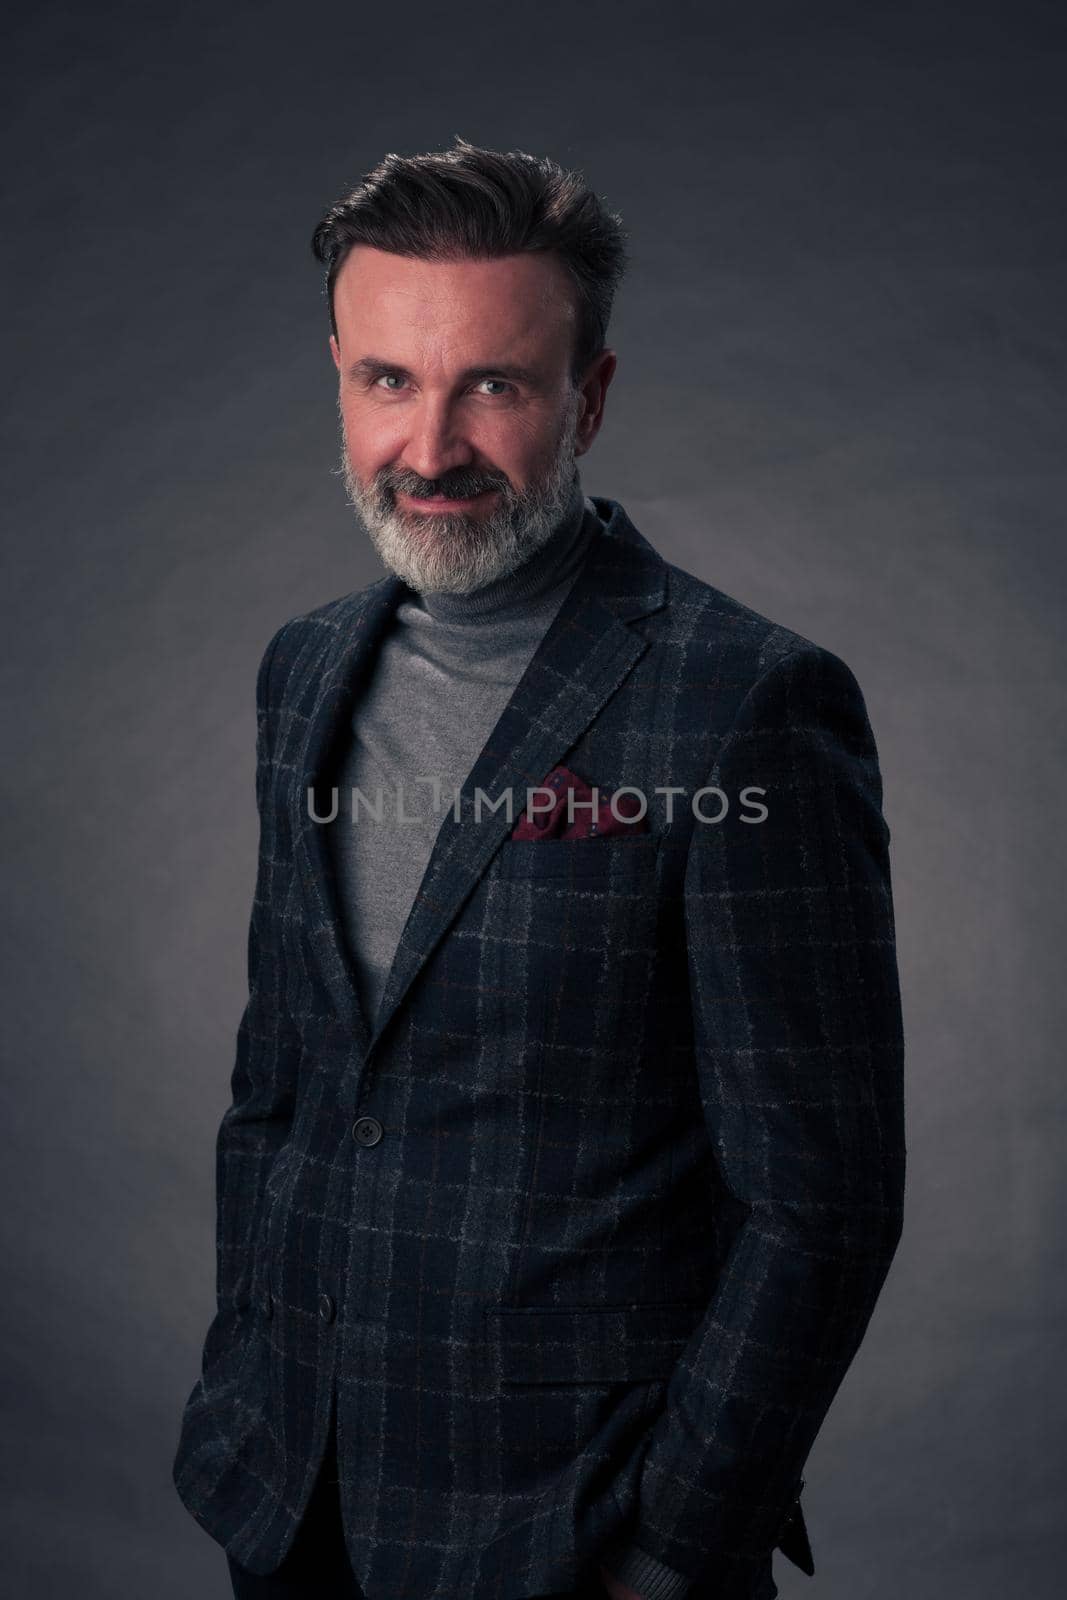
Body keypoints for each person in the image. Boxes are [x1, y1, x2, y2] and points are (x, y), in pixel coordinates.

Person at [172, 138, 905, 1600]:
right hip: (290, 1499)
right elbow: (285, 1083)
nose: (429, 446)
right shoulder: (303, 670)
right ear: (337, 372)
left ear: (592, 396)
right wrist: (246, 1380)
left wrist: (670, 1546)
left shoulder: (744, 702)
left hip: (572, 1536)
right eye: (388, 379)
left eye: (492, 385)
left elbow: (822, 1203)